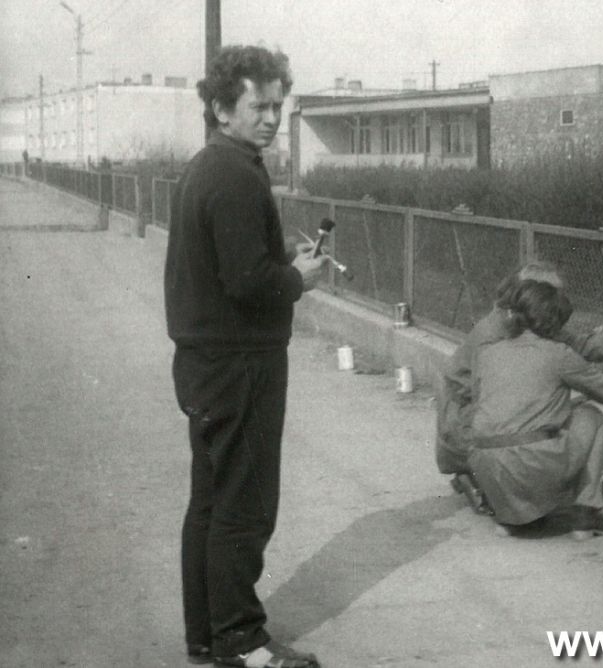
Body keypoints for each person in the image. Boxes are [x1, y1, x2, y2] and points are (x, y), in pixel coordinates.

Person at [164, 45, 327, 668]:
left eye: (277, 106)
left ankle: (206, 635)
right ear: (221, 108)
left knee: (211, 501)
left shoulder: (207, 166)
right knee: (246, 505)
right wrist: (297, 279)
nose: (270, 118)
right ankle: (242, 641)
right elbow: (247, 282)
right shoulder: (236, 174)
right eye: (257, 106)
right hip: (240, 365)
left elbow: (230, 262)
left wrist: (276, 257)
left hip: (206, 362)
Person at [436, 261, 603, 488]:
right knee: (570, 417)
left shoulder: (522, 319)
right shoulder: (494, 335)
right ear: (528, 292)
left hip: (484, 432)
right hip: (464, 429)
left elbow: (578, 343)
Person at [466, 280, 603, 538]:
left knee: (520, 433)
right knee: (591, 416)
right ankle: (586, 516)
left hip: (485, 466)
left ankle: (512, 517)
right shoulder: (559, 353)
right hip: (531, 464)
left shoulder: (487, 352)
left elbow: (489, 406)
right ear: (555, 322)